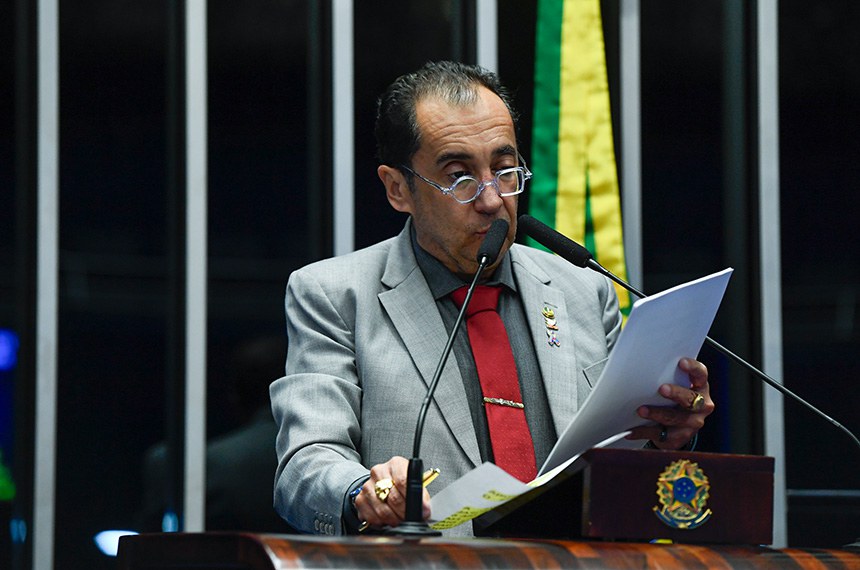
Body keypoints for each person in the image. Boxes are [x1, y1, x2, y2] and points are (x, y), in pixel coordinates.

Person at [270, 61, 713, 537]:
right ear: (398, 189)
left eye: (504, 171)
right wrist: (364, 491)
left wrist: (665, 435)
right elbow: (305, 464)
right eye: (460, 177)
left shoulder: (584, 290)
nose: (491, 200)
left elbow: (614, 462)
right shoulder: (335, 295)